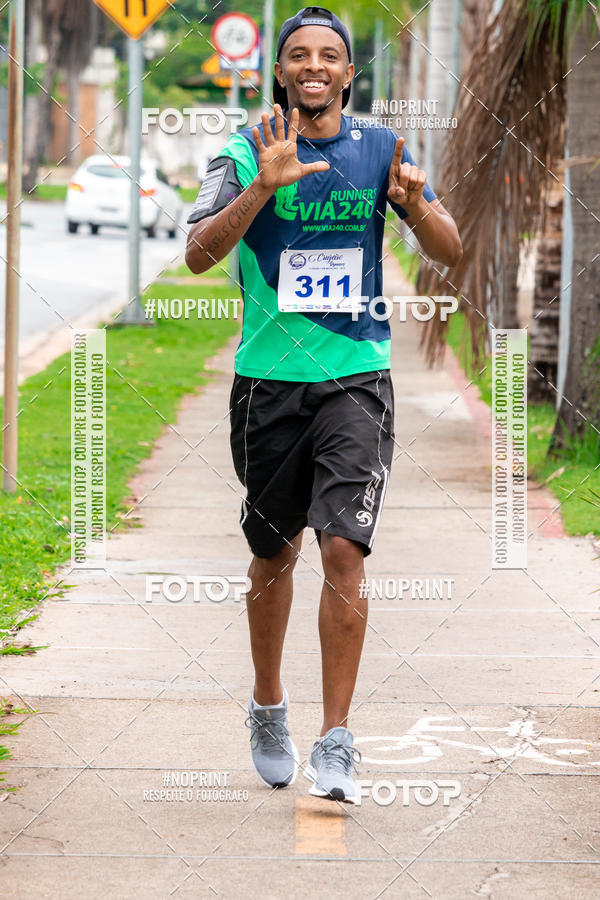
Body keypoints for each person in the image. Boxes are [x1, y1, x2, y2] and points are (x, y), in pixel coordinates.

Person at [186, 6, 462, 804]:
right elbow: (200, 253)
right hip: (267, 386)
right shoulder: (243, 149)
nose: (314, 66)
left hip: (356, 379)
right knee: (274, 558)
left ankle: (336, 737)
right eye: (298, 55)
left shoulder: (382, 148)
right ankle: (268, 703)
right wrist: (261, 189)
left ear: (348, 73)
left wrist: (414, 207)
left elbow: (449, 249)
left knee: (344, 549)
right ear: (279, 72)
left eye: (329, 56)